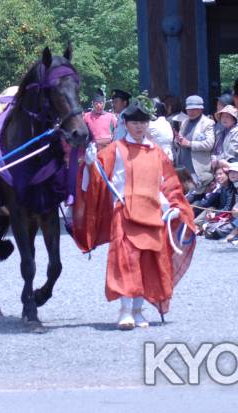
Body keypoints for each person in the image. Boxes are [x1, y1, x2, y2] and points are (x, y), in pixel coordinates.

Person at [71, 100, 194, 329]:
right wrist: (89, 165)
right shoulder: (114, 150)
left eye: (142, 122)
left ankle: (138, 311)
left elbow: (169, 183)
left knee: (148, 262)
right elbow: (98, 179)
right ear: (125, 124)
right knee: (126, 261)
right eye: (134, 122)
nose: (139, 127)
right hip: (124, 211)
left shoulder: (156, 152)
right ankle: (125, 311)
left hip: (152, 212)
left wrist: (174, 204)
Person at [172, 95, 215, 189]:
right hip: (182, 167)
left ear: (200, 109)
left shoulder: (207, 123)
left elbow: (209, 144)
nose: (190, 112)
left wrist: (190, 144)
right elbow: (179, 142)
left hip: (197, 168)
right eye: (189, 109)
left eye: (194, 109)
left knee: (196, 193)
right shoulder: (184, 122)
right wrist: (177, 141)